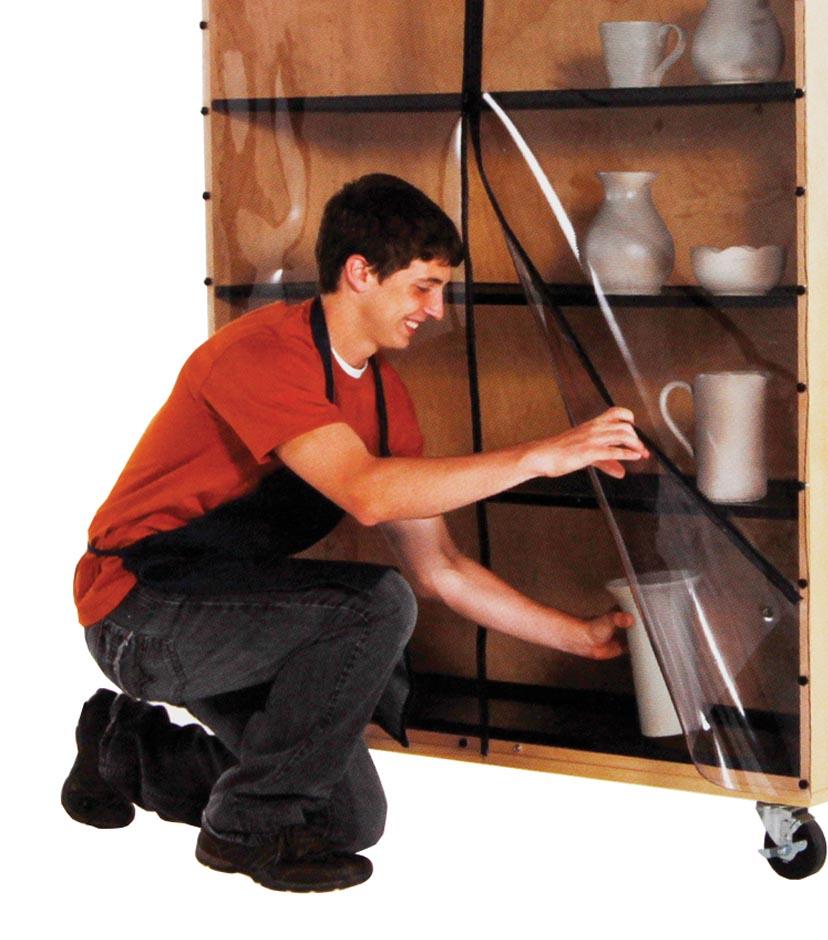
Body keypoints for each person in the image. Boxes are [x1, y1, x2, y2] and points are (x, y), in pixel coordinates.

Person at [62, 172, 647, 893]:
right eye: (423, 286)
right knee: (374, 602)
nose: (435, 311)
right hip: (140, 613)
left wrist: (579, 637)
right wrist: (543, 455)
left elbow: (444, 570)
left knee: (347, 818)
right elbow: (367, 495)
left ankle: (123, 750)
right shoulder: (262, 355)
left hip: (231, 616)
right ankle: (243, 830)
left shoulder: (384, 397)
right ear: (361, 272)